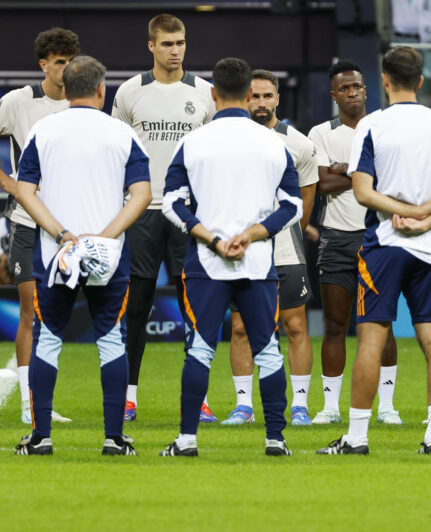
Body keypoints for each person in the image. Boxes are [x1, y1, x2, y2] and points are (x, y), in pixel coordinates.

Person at [316, 46, 431, 455]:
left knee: (370, 341)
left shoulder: (372, 125)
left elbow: (363, 192)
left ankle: (356, 438)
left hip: (384, 245)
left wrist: (407, 212)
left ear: (384, 80)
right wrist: (428, 220)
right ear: (422, 81)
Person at [159, 57, 302, 457]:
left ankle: (187, 440)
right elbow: (293, 206)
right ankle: (276, 439)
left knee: (200, 349)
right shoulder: (274, 143)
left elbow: (171, 203)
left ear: (213, 93)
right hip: (257, 263)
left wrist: (214, 239)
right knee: (269, 351)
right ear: (247, 93)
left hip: (207, 262)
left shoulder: (194, 141)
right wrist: (250, 236)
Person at [14, 56, 152, 455]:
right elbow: (141, 194)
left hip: (55, 254)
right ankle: (113, 439)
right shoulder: (120, 132)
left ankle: (40, 439)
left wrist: (64, 235)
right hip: (108, 256)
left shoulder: (44, 129)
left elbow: (25, 191)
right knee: (111, 340)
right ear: (101, 90)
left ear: (65, 87)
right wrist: (102, 238)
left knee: (48, 340)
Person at [113, 13, 216, 423]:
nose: (176, 51)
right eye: (168, 44)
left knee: (195, 307)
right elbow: (116, 153)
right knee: (136, 305)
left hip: (188, 213)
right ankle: (129, 396)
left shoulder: (205, 92)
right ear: (151, 46)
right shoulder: (130, 92)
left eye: (181, 43)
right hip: (142, 211)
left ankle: (199, 399)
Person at [220, 69, 318, 427]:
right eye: (254, 96)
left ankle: (301, 406)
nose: (260, 103)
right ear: (245, 98)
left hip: (286, 250)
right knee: (241, 327)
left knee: (295, 326)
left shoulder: (299, 143)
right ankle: (243, 406)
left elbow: (306, 200)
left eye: (267, 97)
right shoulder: (229, 139)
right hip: (242, 250)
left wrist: (287, 233)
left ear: (277, 99)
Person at [308, 60, 402, 426]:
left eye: (358, 87)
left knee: (383, 324)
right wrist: (364, 174)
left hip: (377, 236)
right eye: (345, 89)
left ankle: (388, 406)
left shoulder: (384, 127)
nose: (353, 93)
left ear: (367, 89)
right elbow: (321, 186)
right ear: (334, 95)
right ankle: (330, 406)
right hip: (335, 238)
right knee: (335, 323)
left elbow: (390, 177)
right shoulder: (321, 132)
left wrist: (343, 169)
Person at [0, 27, 80, 425]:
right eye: (58, 61)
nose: (64, 68)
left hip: (72, 227)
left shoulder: (81, 105)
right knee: (31, 313)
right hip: (28, 223)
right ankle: (32, 407)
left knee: (54, 316)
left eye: (70, 61)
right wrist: (8, 182)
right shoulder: (18, 102)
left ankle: (44, 399)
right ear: (43, 64)